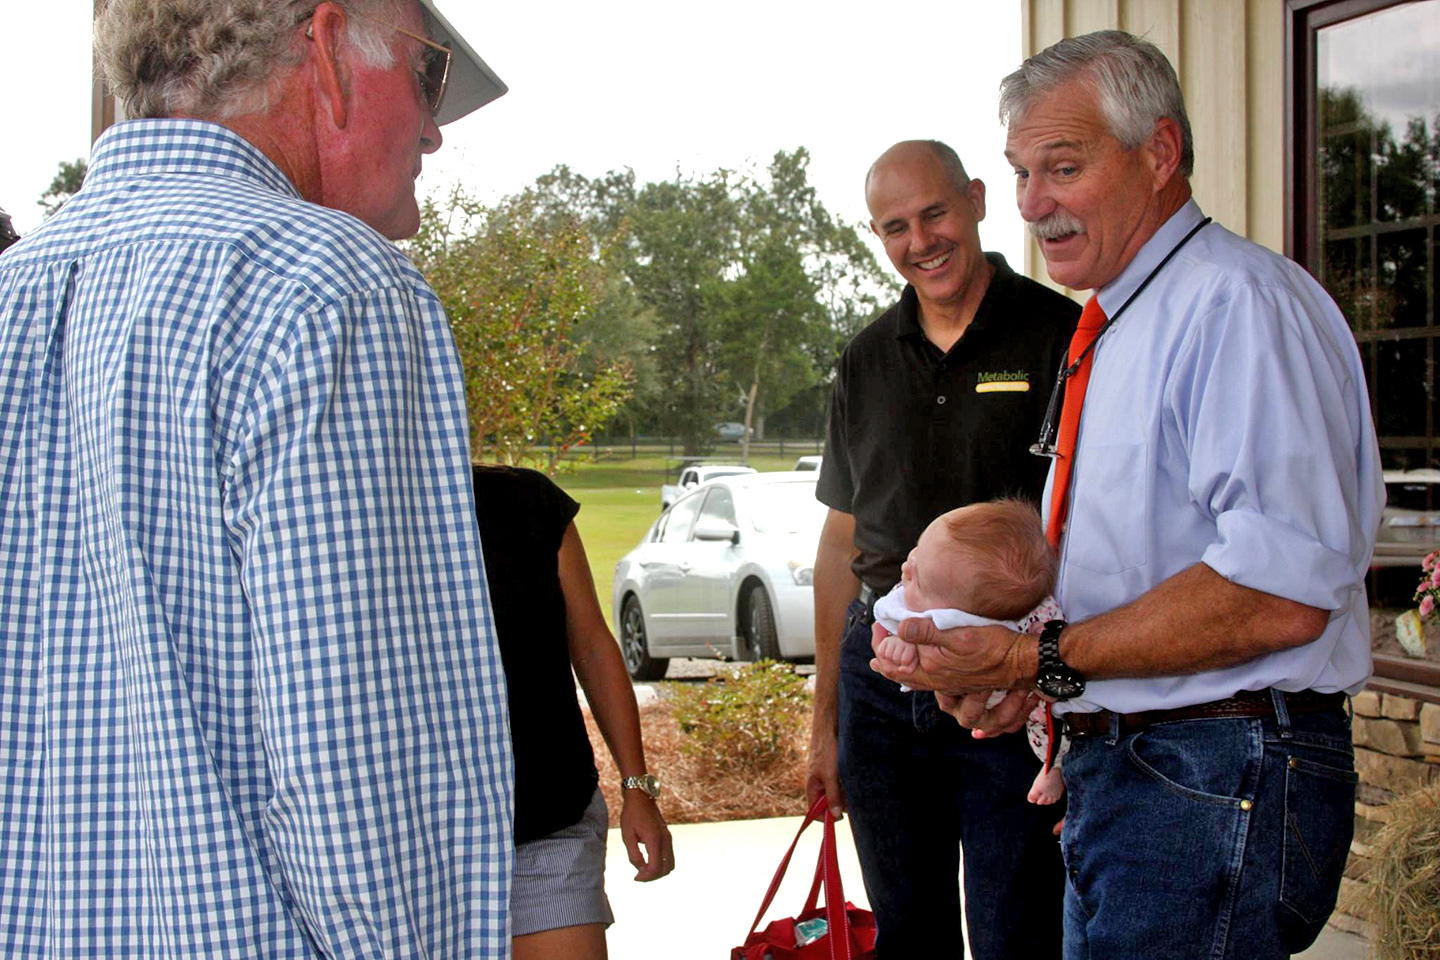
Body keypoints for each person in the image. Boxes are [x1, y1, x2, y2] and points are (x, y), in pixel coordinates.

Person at [0, 2, 516, 956]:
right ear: (323, 48)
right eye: (427, 73)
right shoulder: (330, 289)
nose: (435, 127)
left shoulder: (15, 296)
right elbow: (362, 784)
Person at [872, 31, 1384, 960]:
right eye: (1022, 174)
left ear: (1159, 153)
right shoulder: (1117, 320)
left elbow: (1279, 588)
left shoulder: (1232, 306)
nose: (1034, 206)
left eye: (1062, 168)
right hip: (1150, 777)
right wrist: (1038, 684)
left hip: (1209, 773)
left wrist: (1033, 660)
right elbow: (1143, 579)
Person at [807, 138, 1078, 959]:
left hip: (1006, 680)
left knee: (1014, 930)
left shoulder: (1061, 336)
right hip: (882, 675)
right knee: (907, 932)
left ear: (976, 200)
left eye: (933, 214)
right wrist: (825, 720)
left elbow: (1098, 528)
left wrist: (1056, 692)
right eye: (895, 227)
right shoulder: (864, 358)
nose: (919, 241)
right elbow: (841, 541)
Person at [470, 464, 674, 960]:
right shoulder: (338, 519)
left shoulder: (528, 500)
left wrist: (637, 788)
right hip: (407, 835)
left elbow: (593, 647)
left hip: (548, 817)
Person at [871, 499, 1067, 805]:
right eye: (915, 553)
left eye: (916, 577)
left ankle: (1055, 767)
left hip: (1019, 698)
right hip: (1025, 693)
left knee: (1053, 729)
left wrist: (904, 647)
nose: (905, 568)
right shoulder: (953, 594)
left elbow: (931, 655)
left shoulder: (957, 620)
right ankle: (1054, 765)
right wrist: (901, 640)